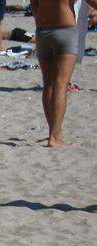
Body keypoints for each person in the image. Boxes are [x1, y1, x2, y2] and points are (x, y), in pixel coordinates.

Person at [31, 0, 97, 147]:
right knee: (60, 84)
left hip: (42, 30)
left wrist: (40, 19)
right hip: (64, 29)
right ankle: (54, 137)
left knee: (48, 84)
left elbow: (34, 4)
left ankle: (53, 131)